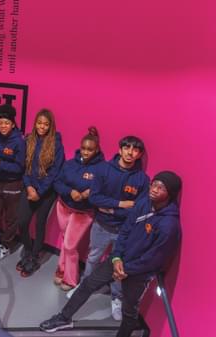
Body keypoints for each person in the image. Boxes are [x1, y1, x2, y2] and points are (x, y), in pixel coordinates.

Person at [40, 171, 182, 337]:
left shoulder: (169, 225)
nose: (155, 189)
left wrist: (126, 269)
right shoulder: (144, 202)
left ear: (170, 194)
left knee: (129, 311)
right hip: (118, 260)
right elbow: (125, 230)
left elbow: (154, 259)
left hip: (138, 274)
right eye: (154, 184)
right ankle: (64, 318)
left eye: (161, 187)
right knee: (88, 284)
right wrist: (116, 258)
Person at [70, 135, 150, 320]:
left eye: (135, 150)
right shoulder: (104, 169)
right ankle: (84, 288)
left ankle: (117, 297)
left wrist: (109, 209)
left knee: (118, 266)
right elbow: (94, 198)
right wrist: (120, 205)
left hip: (124, 231)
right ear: (120, 149)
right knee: (92, 258)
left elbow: (138, 209)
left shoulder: (142, 180)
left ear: (139, 154)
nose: (130, 152)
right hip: (101, 226)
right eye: (127, 148)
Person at [52, 127, 104, 290]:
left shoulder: (102, 169)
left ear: (96, 150)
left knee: (69, 245)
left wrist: (90, 193)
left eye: (90, 149)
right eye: (83, 148)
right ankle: (61, 270)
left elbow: (104, 190)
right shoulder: (70, 164)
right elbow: (57, 183)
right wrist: (70, 191)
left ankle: (70, 279)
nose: (86, 152)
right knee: (64, 239)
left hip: (83, 212)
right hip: (63, 206)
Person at [15, 109, 64, 277]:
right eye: (39, 123)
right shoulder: (29, 140)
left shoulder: (57, 145)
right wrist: (29, 187)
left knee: (40, 224)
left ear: (50, 126)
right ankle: (28, 251)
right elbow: (25, 167)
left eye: (46, 124)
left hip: (46, 192)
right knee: (22, 222)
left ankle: (34, 257)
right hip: (29, 188)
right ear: (35, 123)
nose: (42, 127)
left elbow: (54, 173)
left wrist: (40, 191)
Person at [0, 104, 26, 261]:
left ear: (13, 124)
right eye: (1, 123)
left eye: (7, 123)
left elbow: (19, 166)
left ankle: (6, 245)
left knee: (11, 218)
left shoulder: (19, 141)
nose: (3, 126)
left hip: (13, 183)